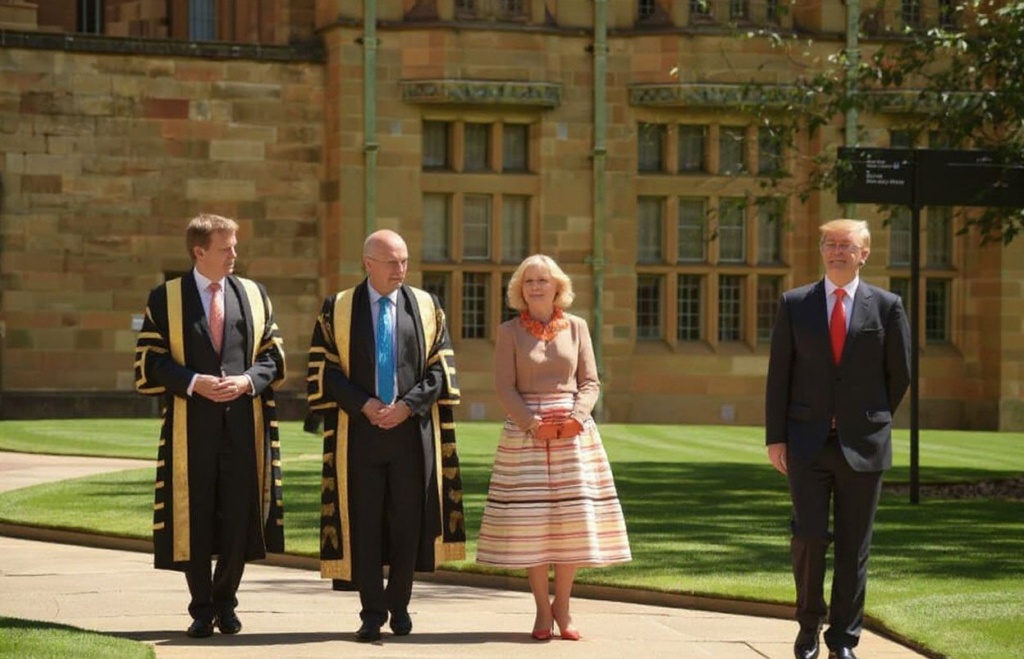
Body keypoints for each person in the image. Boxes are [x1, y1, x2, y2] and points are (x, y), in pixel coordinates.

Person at [306, 229, 465, 642]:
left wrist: (406, 406)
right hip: (359, 434)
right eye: (392, 262)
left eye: (405, 261)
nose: (401, 269)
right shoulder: (337, 308)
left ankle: (400, 605)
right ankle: (372, 611)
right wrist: (366, 405)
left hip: (410, 434)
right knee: (365, 523)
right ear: (368, 263)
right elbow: (326, 371)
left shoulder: (428, 307)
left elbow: (439, 370)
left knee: (408, 523)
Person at [133, 213, 286, 638]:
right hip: (191, 427)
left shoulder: (254, 295)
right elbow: (149, 361)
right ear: (200, 251)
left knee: (240, 517)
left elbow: (273, 357)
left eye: (235, 246)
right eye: (226, 247)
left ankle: (226, 601)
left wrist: (247, 381)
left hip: (242, 425)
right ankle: (201, 607)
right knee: (194, 517)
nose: (235, 254)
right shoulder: (166, 298)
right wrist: (194, 382)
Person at [765, 219, 911, 659]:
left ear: (864, 253)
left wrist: (869, 419)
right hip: (806, 444)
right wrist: (776, 438)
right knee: (808, 537)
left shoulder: (887, 307)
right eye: (829, 244)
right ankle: (808, 629)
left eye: (846, 245)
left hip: (863, 446)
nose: (836, 251)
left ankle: (843, 640)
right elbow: (780, 376)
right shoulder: (796, 304)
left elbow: (899, 375)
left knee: (854, 546)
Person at [476, 254, 631, 641]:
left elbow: (590, 381)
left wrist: (577, 418)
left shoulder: (577, 327)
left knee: (569, 527)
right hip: (527, 436)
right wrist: (532, 425)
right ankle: (542, 611)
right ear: (519, 289)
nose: (535, 286)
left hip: (573, 435)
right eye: (528, 281)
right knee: (533, 527)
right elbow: (504, 387)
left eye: (542, 280)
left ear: (557, 286)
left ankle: (564, 607)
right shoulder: (509, 331)